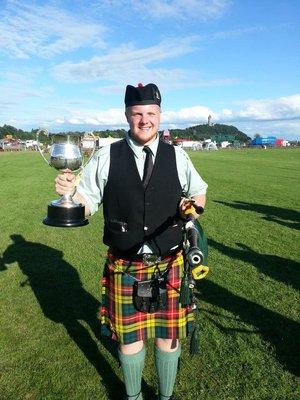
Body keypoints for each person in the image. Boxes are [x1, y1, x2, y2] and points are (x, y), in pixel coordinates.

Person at [55, 83, 208, 400]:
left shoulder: (177, 156)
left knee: (169, 337)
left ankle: (166, 397)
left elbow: (199, 192)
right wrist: (70, 195)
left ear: (160, 116)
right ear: (127, 115)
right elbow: (87, 200)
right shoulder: (106, 155)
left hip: (170, 263)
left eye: (151, 113)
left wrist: (190, 208)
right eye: (137, 114)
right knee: (129, 339)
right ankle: (134, 397)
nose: (144, 120)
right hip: (126, 264)